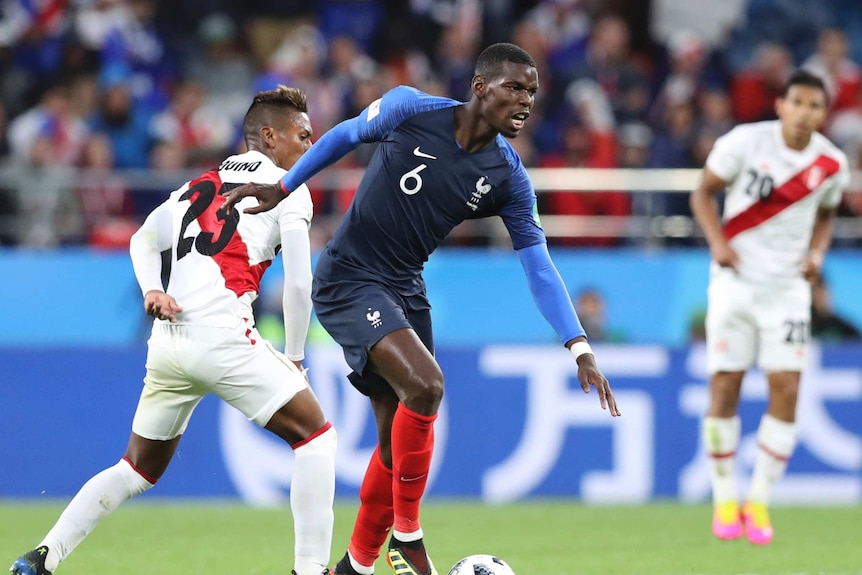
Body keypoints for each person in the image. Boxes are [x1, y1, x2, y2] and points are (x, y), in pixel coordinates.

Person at [223, 43, 621, 575]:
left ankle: (356, 566)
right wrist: (284, 185)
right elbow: (343, 135)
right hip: (349, 276)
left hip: (404, 289)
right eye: (515, 89)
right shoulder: (412, 108)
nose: (526, 101)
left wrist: (580, 346)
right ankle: (407, 535)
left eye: (532, 91)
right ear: (481, 87)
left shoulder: (507, 176)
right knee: (427, 386)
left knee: (394, 443)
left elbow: (539, 266)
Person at [9, 86, 337, 575]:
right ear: (269, 136)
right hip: (224, 335)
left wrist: (151, 289)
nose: (311, 147)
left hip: (169, 340)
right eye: (303, 135)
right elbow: (299, 281)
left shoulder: (197, 184)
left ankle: (42, 558)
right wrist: (294, 356)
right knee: (317, 440)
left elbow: (143, 237)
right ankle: (309, 570)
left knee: (136, 467)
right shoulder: (290, 186)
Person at [689, 69, 850, 546]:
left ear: (825, 113)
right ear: (781, 104)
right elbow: (702, 192)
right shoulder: (745, 142)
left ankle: (757, 499)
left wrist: (818, 254)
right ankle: (724, 496)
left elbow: (825, 214)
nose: (804, 113)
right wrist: (716, 242)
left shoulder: (832, 164)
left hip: (786, 290)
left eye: (815, 105)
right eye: (797, 102)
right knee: (727, 385)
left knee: (786, 387)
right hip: (734, 282)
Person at [810, 273, 861, 341]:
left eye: (823, 292)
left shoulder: (842, 327)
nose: (820, 297)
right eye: (815, 293)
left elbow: (858, 346)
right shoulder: (804, 325)